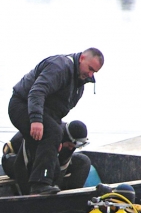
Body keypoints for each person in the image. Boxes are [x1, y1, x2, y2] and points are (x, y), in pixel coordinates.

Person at [8, 48, 104, 195]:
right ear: (82, 58)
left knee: (51, 136)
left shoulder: (79, 83)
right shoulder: (60, 66)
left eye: (94, 72)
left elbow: (57, 112)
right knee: (52, 132)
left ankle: (40, 183)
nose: (90, 75)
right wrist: (36, 120)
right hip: (22, 104)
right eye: (90, 69)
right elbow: (37, 91)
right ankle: (39, 184)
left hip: (42, 111)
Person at [2, 120, 91, 195]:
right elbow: (21, 165)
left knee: (83, 161)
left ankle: (71, 195)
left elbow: (62, 167)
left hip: (46, 159)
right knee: (47, 161)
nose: (72, 148)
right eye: (72, 144)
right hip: (14, 159)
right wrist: (28, 195)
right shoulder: (50, 135)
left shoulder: (68, 146)